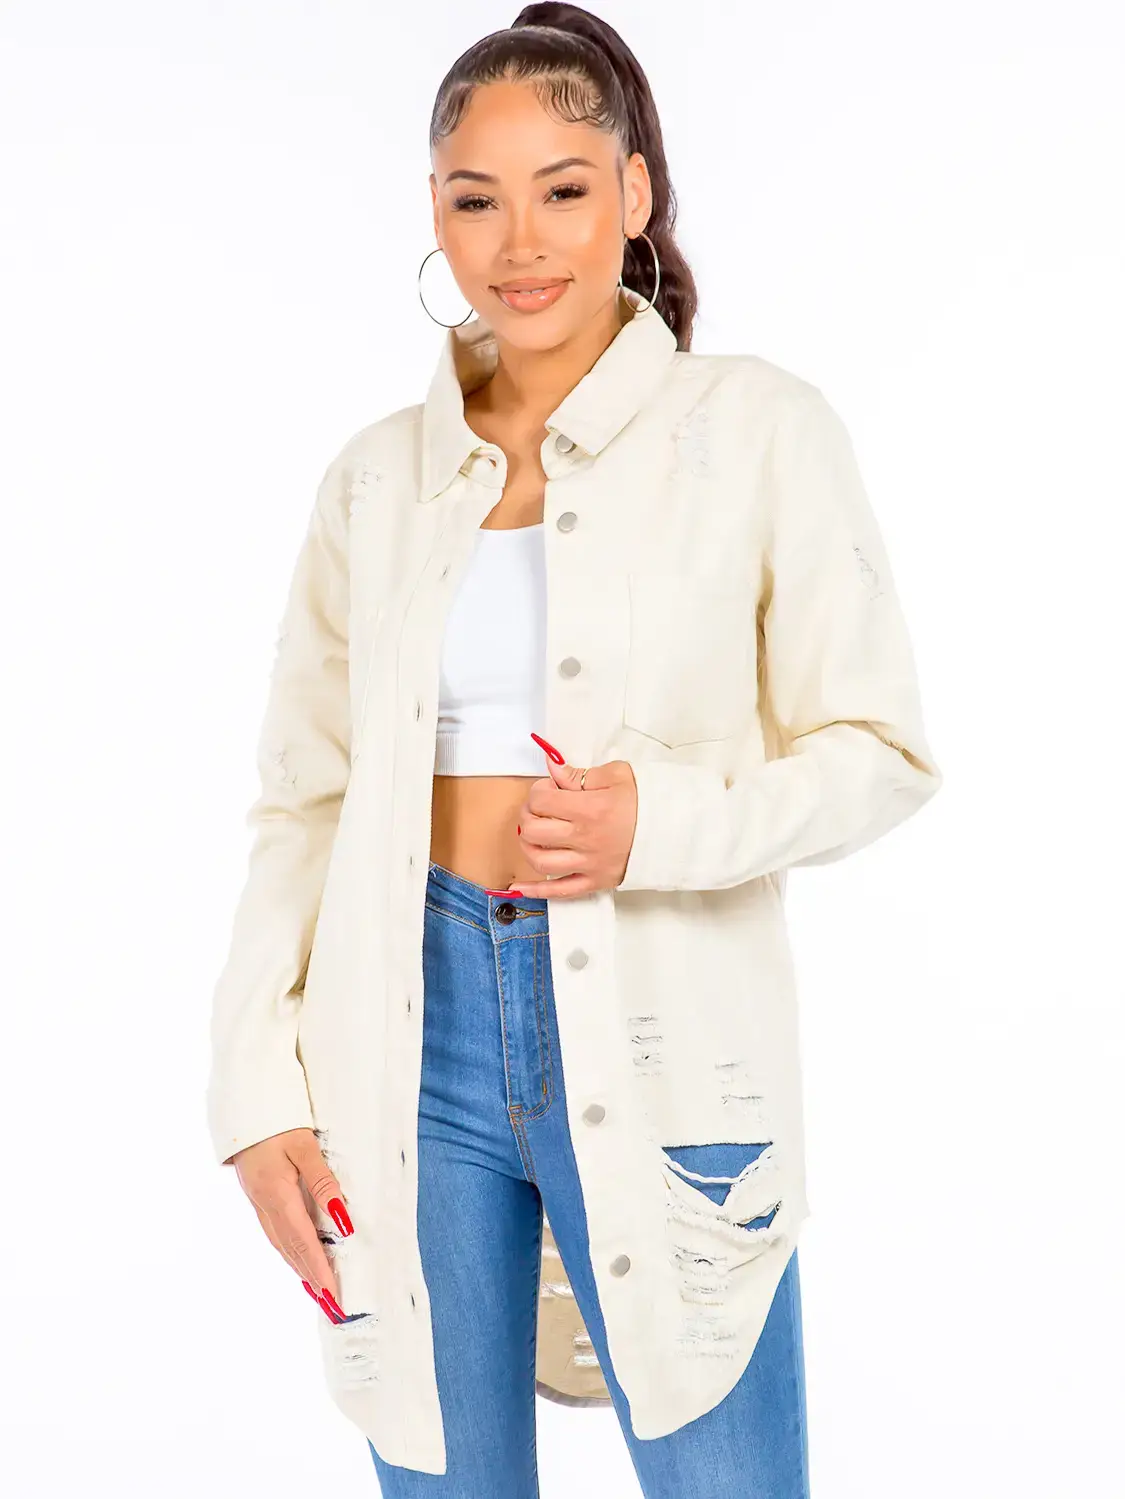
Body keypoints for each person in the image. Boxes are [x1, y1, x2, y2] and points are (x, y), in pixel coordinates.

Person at [206, 5, 943, 1495]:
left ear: (635, 194)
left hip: (666, 1018)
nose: (521, 242)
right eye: (477, 199)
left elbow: (878, 751)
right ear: (434, 214)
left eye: (564, 189)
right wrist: (255, 1091)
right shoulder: (375, 481)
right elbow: (303, 803)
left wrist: (654, 825)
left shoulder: (757, 431)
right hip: (403, 1031)